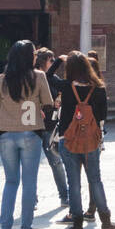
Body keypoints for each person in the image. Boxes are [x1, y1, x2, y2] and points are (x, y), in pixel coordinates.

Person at [0, 40, 53, 229]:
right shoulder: (39, 76)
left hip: (6, 133)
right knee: (29, 183)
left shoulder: (2, 79)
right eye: (34, 53)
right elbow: (48, 104)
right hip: (30, 132)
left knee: (10, 182)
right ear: (29, 57)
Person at [56, 50, 115, 229]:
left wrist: (59, 60)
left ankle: (77, 222)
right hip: (91, 141)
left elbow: (48, 76)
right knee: (95, 180)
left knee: (73, 182)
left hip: (68, 140)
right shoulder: (98, 88)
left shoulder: (65, 86)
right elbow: (103, 116)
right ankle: (105, 220)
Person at [34, 48, 69, 211]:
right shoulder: (35, 76)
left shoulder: (52, 77)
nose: (53, 62)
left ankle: (64, 196)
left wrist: (58, 101)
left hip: (49, 125)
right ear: (44, 62)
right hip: (35, 125)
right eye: (51, 60)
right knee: (32, 165)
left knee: (56, 162)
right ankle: (32, 198)